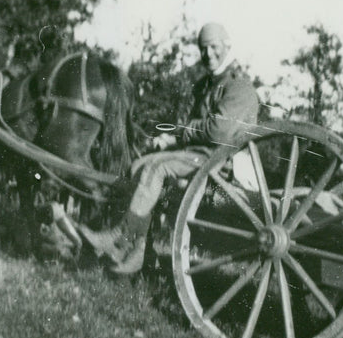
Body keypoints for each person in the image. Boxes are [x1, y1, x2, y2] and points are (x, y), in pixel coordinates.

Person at [79, 22, 259, 273]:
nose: (208, 54)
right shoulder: (204, 86)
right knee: (140, 165)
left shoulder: (239, 87)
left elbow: (219, 132)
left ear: (227, 46)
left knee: (158, 167)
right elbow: (192, 127)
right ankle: (139, 252)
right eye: (203, 49)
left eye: (214, 47)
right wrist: (170, 138)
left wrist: (180, 136)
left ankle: (120, 238)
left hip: (220, 163)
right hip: (198, 156)